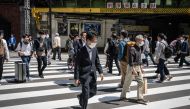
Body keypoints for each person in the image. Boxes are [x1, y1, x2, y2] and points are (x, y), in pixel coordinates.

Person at [74, 32, 104, 109]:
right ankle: (84, 106)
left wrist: (100, 72)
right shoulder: (81, 51)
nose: (95, 43)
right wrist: (76, 78)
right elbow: (77, 65)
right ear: (88, 40)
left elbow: (97, 61)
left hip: (92, 74)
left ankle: (81, 97)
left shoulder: (95, 49)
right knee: (86, 93)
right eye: (94, 41)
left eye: (95, 41)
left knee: (93, 92)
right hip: (84, 75)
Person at [120, 34, 148, 104]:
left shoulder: (139, 48)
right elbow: (130, 61)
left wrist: (141, 67)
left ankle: (140, 98)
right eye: (142, 40)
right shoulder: (132, 48)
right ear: (138, 40)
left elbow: (139, 59)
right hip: (132, 67)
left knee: (141, 82)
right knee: (127, 82)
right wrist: (133, 69)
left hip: (138, 67)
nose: (143, 41)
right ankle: (122, 96)